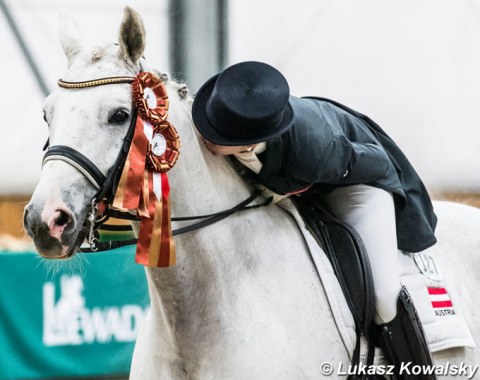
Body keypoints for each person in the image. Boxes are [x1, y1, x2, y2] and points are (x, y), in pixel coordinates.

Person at [192, 61, 437, 379]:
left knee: (383, 297)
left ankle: (411, 369)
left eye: (217, 134)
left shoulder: (318, 150)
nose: (205, 135)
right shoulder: (231, 107)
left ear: (249, 141)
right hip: (298, 179)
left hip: (357, 185)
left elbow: (376, 163)